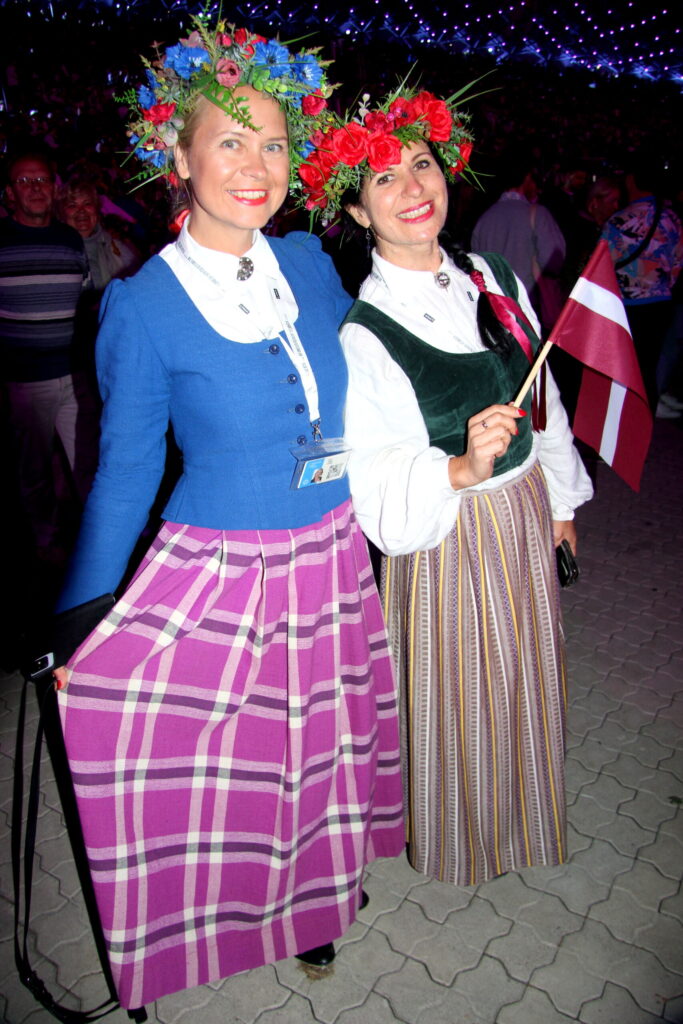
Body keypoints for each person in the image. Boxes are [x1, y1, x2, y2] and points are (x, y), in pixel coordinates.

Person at [52, 22, 404, 1010]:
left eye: (274, 143)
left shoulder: (311, 263)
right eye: (229, 141)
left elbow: (377, 379)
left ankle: (317, 896)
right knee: (240, 757)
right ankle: (202, 919)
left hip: (333, 555)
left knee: (320, 744)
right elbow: (125, 474)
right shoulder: (141, 305)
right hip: (221, 570)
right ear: (178, 154)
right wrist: (83, 618)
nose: (256, 166)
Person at [298, 84, 593, 887]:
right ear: (356, 212)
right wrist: (458, 467)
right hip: (447, 533)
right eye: (383, 178)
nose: (412, 188)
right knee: (463, 688)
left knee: (526, 669)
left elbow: (542, 391)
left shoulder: (490, 275)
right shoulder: (366, 330)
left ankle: (526, 818)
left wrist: (560, 499)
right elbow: (374, 471)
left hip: (522, 510)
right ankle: (462, 841)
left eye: (421, 165)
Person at [0, 149, 95, 565]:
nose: (35, 188)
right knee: (34, 470)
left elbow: (85, 303)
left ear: (53, 189)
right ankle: (45, 541)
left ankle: (97, 543)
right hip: (24, 381)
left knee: (87, 465)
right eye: (24, 181)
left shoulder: (70, 239)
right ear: (9, 193)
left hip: (75, 378)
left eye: (41, 180)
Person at [600, 156, 683, 412]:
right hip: (660, 304)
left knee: (621, 367)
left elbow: (602, 265)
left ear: (631, 181)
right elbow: (678, 262)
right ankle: (644, 416)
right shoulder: (671, 219)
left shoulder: (620, 220)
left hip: (625, 305)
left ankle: (618, 419)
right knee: (649, 365)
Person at [471, 156, 566, 335]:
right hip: (530, 308)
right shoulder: (537, 214)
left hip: (496, 310)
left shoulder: (484, 218)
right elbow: (554, 262)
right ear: (527, 178)